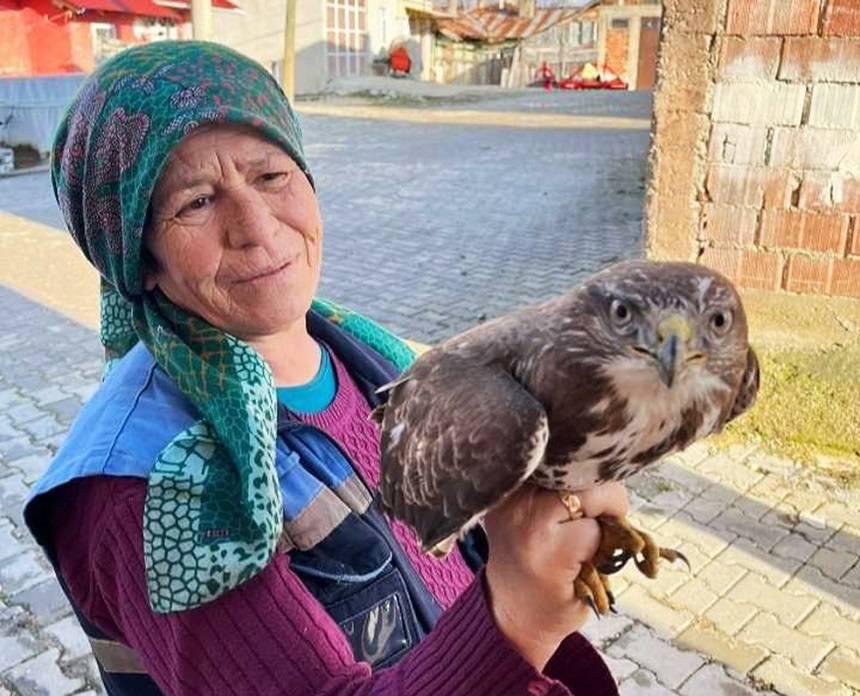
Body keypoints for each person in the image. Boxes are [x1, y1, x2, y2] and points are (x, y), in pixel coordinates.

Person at [24, 40, 626, 695]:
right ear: (137, 258)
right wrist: (520, 614)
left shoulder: (364, 356)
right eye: (195, 201)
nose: (256, 226)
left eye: (270, 175)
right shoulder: (145, 486)